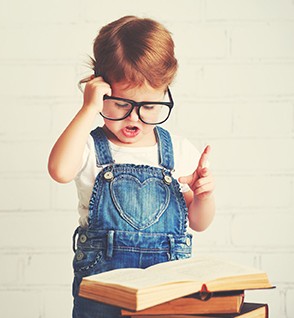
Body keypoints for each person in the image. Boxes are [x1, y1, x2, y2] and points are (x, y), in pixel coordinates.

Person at [48, 15, 215, 318]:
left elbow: (199, 222)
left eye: (149, 106)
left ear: (165, 94)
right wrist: (88, 109)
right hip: (102, 291)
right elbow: (59, 170)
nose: (134, 118)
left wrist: (203, 196)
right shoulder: (87, 147)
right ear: (99, 90)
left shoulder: (178, 150)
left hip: (166, 291)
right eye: (122, 104)